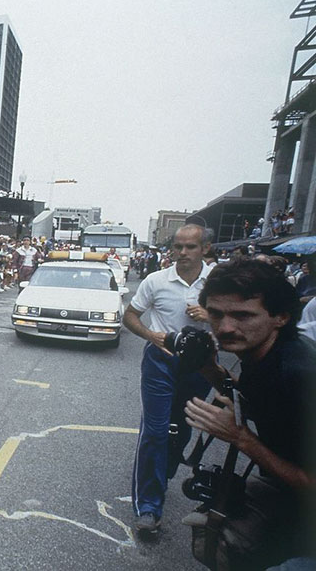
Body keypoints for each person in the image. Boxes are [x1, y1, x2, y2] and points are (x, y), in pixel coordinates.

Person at [184, 259, 315, 569]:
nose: (225, 328)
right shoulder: (265, 353)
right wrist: (209, 368)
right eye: (216, 314)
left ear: (281, 317)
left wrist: (241, 438)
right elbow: (259, 399)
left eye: (243, 315)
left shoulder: (300, 376)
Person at [122, 224, 214, 534]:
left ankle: (165, 469)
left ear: (205, 249)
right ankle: (148, 507)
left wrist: (211, 317)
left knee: (182, 430)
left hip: (201, 366)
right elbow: (130, 317)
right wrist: (151, 335)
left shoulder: (218, 282)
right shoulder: (156, 280)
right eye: (178, 247)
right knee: (156, 431)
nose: (183, 253)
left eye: (190, 247)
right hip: (160, 361)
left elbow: (239, 320)